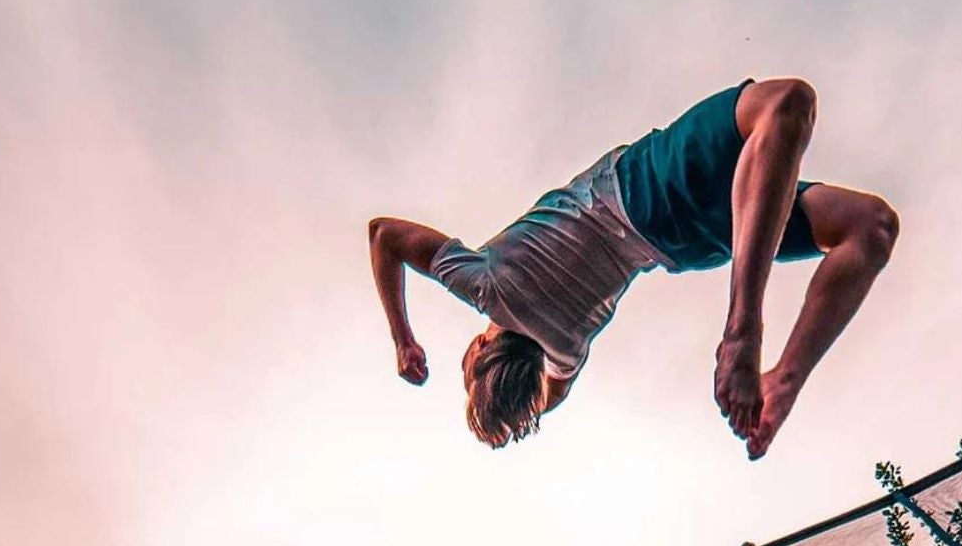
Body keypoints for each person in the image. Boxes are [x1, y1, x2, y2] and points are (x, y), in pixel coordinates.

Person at [367, 77, 897, 460]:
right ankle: (742, 330)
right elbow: (384, 235)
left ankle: (785, 380)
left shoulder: (564, 359)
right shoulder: (485, 285)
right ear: (479, 349)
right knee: (787, 102)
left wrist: (500, 418)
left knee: (868, 228)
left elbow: (536, 405)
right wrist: (403, 340)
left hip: (694, 241)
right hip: (649, 184)